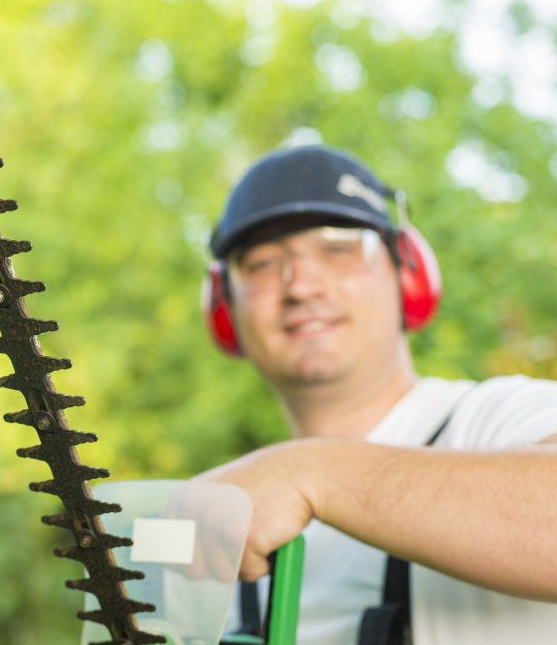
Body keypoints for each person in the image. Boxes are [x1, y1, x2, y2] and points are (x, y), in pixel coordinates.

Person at [197, 145, 557, 645]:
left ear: (408, 276)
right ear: (224, 310)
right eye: (260, 263)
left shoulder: (494, 422)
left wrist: (312, 472)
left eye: (339, 248)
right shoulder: (234, 527)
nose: (300, 284)